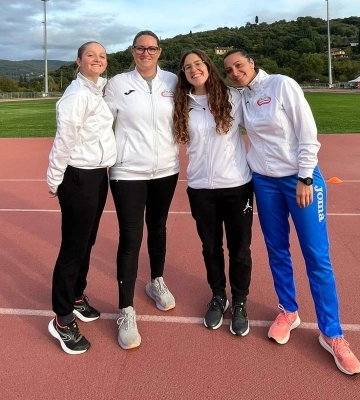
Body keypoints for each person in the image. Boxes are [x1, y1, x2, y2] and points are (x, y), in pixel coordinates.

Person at [223, 49, 360, 374]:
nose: (234, 72)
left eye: (239, 66)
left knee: (316, 256)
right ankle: (288, 310)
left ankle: (332, 334)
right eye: (229, 70)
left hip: (300, 179)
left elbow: (307, 133)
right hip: (265, 182)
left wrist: (304, 177)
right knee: (277, 250)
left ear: (252, 63)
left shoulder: (282, 85)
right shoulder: (240, 98)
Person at [104, 31, 179, 350]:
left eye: (152, 48)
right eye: (140, 48)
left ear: (160, 52)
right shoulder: (118, 83)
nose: (146, 53)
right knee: (131, 236)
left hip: (166, 170)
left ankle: (156, 282)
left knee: (158, 228)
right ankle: (126, 309)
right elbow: (99, 122)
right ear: (132, 51)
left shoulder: (174, 81)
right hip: (127, 171)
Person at [174, 50, 253, 336]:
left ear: (208, 66)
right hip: (200, 188)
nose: (193, 69)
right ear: (183, 74)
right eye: (187, 67)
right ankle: (219, 295)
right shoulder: (182, 102)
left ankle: (240, 301)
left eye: (198, 63)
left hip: (236, 186)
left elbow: (260, 128)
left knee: (240, 249)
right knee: (210, 247)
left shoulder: (234, 97)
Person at [47, 41, 117, 354]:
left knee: (87, 241)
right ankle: (62, 319)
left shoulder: (97, 91)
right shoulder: (75, 96)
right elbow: (64, 141)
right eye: (91, 55)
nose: (98, 59)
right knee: (73, 247)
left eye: (102, 55)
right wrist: (54, 179)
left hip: (96, 176)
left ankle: (76, 296)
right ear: (79, 61)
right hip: (78, 178)